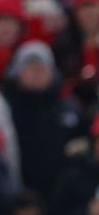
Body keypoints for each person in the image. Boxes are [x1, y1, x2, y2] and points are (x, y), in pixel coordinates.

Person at [4, 41, 82, 199]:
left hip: (61, 194)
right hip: (14, 194)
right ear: (16, 72)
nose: (36, 73)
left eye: (41, 67)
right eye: (30, 67)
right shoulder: (4, 109)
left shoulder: (69, 109)